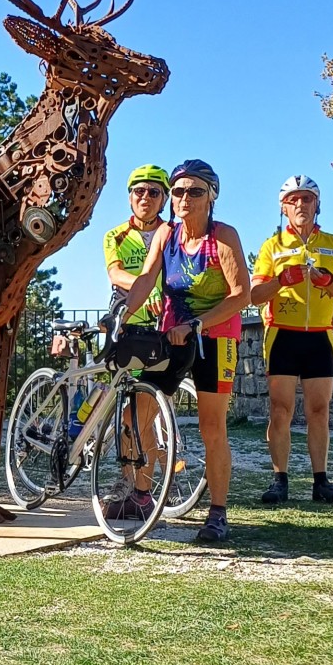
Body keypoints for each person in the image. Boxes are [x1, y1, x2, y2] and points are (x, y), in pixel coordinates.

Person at [118, 159, 251, 545]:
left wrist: (198, 323)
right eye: (177, 191)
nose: (184, 198)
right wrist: (123, 313)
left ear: (212, 196)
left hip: (215, 337)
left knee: (212, 426)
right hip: (170, 335)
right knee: (138, 411)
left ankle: (217, 513)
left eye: (195, 191)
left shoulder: (223, 236)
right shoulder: (165, 235)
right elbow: (145, 280)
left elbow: (240, 294)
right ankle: (141, 495)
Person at [251, 175, 333, 506]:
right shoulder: (272, 247)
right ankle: (279, 479)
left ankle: (320, 481)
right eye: (293, 200)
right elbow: (254, 295)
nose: (300, 204)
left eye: (307, 199)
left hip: (320, 337)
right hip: (283, 333)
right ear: (283, 207)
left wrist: (326, 281)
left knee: (319, 410)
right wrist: (282, 280)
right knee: (280, 409)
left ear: (316, 204)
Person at [104, 164, 170, 322]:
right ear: (130, 197)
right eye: (139, 191)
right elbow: (115, 274)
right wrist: (147, 289)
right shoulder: (115, 236)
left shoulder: (173, 234)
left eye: (154, 192)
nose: (145, 197)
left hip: (167, 321)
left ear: (164, 200)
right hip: (128, 321)